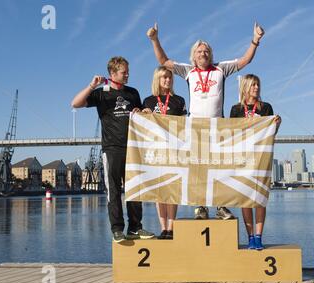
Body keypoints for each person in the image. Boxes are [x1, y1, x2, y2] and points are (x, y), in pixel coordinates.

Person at [147, 22, 265, 220]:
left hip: (218, 126)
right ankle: (201, 207)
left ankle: (221, 206)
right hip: (195, 127)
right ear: (194, 56)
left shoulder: (221, 69)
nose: (203, 54)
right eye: (199, 51)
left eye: (206, 51)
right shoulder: (188, 71)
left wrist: (255, 40)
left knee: (220, 168)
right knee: (199, 169)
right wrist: (154, 39)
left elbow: (245, 61)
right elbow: (164, 60)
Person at [71, 56, 155, 243]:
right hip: (112, 148)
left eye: (127, 71)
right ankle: (117, 229)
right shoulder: (101, 94)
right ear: (113, 73)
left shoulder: (133, 93)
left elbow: (142, 113)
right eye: (124, 72)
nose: (127, 75)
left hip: (134, 148)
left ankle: (135, 228)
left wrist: (145, 112)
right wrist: (91, 86)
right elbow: (75, 103)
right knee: (114, 190)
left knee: (135, 189)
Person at [229, 74, 282, 250]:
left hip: (260, 159)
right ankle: (250, 237)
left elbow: (270, 133)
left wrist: (277, 124)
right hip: (242, 159)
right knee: (245, 200)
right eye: (252, 85)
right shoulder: (235, 110)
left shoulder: (266, 107)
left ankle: (259, 237)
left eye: (258, 85)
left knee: (259, 199)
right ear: (244, 87)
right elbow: (231, 135)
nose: (256, 88)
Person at [142, 66, 187, 239]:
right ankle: (163, 228)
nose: (167, 80)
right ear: (157, 80)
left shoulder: (179, 100)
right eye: (164, 78)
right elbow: (142, 125)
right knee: (160, 191)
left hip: (174, 150)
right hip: (155, 151)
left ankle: (172, 227)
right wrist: (143, 114)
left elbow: (185, 125)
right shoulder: (148, 101)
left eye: (169, 77)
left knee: (172, 190)